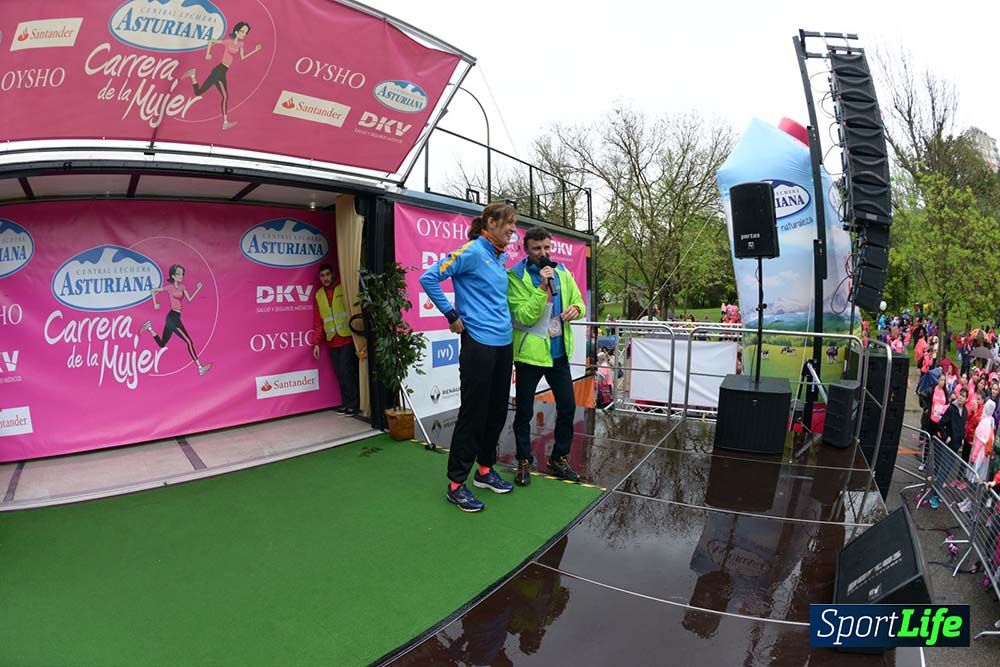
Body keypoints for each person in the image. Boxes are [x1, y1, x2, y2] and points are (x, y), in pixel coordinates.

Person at [420, 203, 518, 512]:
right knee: (474, 414)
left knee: (497, 412)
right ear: (491, 222)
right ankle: (456, 484)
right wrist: (451, 314)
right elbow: (429, 277)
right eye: (509, 224)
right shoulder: (474, 251)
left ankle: (485, 470)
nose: (513, 230)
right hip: (478, 343)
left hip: (503, 344)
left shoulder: (496, 256)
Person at [507, 226, 587, 486]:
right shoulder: (515, 276)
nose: (543, 253)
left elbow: (580, 302)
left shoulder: (561, 272)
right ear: (526, 249)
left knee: (568, 407)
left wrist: (576, 308)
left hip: (557, 352)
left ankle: (559, 457)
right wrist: (541, 288)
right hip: (530, 355)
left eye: (547, 248)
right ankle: (523, 459)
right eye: (537, 248)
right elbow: (523, 316)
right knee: (524, 412)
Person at [183, 21, 262, 130]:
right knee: (225, 96)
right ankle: (225, 123)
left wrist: (255, 50)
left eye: (246, 33)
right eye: (242, 31)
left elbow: (242, 58)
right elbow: (211, 41)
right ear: (236, 31)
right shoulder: (227, 42)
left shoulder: (240, 44)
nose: (244, 34)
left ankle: (192, 75)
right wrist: (207, 54)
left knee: (198, 93)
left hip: (221, 71)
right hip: (219, 71)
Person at [142, 264, 212, 375]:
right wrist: (155, 303)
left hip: (175, 317)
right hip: (172, 318)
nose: (181, 276)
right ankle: (200, 367)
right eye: (178, 274)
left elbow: (189, 299)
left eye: (182, 274)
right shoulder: (169, 288)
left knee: (162, 344)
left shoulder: (182, 287)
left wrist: (198, 289)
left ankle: (149, 328)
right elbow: (153, 291)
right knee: (189, 341)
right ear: (173, 275)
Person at [311, 263, 359, 416]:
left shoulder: (343, 288)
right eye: (322, 276)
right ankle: (346, 403)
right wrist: (316, 343)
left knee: (347, 372)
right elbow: (318, 321)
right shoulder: (319, 295)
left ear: (333, 274)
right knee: (340, 373)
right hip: (332, 340)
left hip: (347, 338)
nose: (325, 278)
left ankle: (354, 404)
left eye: (327, 274)